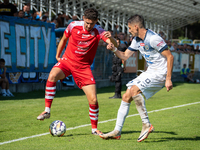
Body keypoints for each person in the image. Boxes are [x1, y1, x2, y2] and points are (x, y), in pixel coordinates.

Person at [37, 8, 117, 136]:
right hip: (67, 62)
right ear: (83, 18)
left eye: (92, 23)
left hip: (83, 68)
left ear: (96, 21)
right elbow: (63, 39)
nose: (89, 25)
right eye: (87, 22)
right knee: (52, 75)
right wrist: (58, 56)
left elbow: (113, 44)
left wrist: (111, 40)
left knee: (93, 99)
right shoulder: (73, 25)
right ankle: (47, 110)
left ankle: (94, 129)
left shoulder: (99, 30)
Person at [99, 14, 174, 142]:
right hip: (150, 71)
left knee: (134, 90)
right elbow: (124, 56)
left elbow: (170, 56)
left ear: (135, 26)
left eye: (129, 28)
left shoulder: (153, 38)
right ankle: (117, 131)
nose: (129, 30)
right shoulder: (136, 40)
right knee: (126, 96)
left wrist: (168, 78)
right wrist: (113, 49)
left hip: (160, 73)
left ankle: (146, 124)